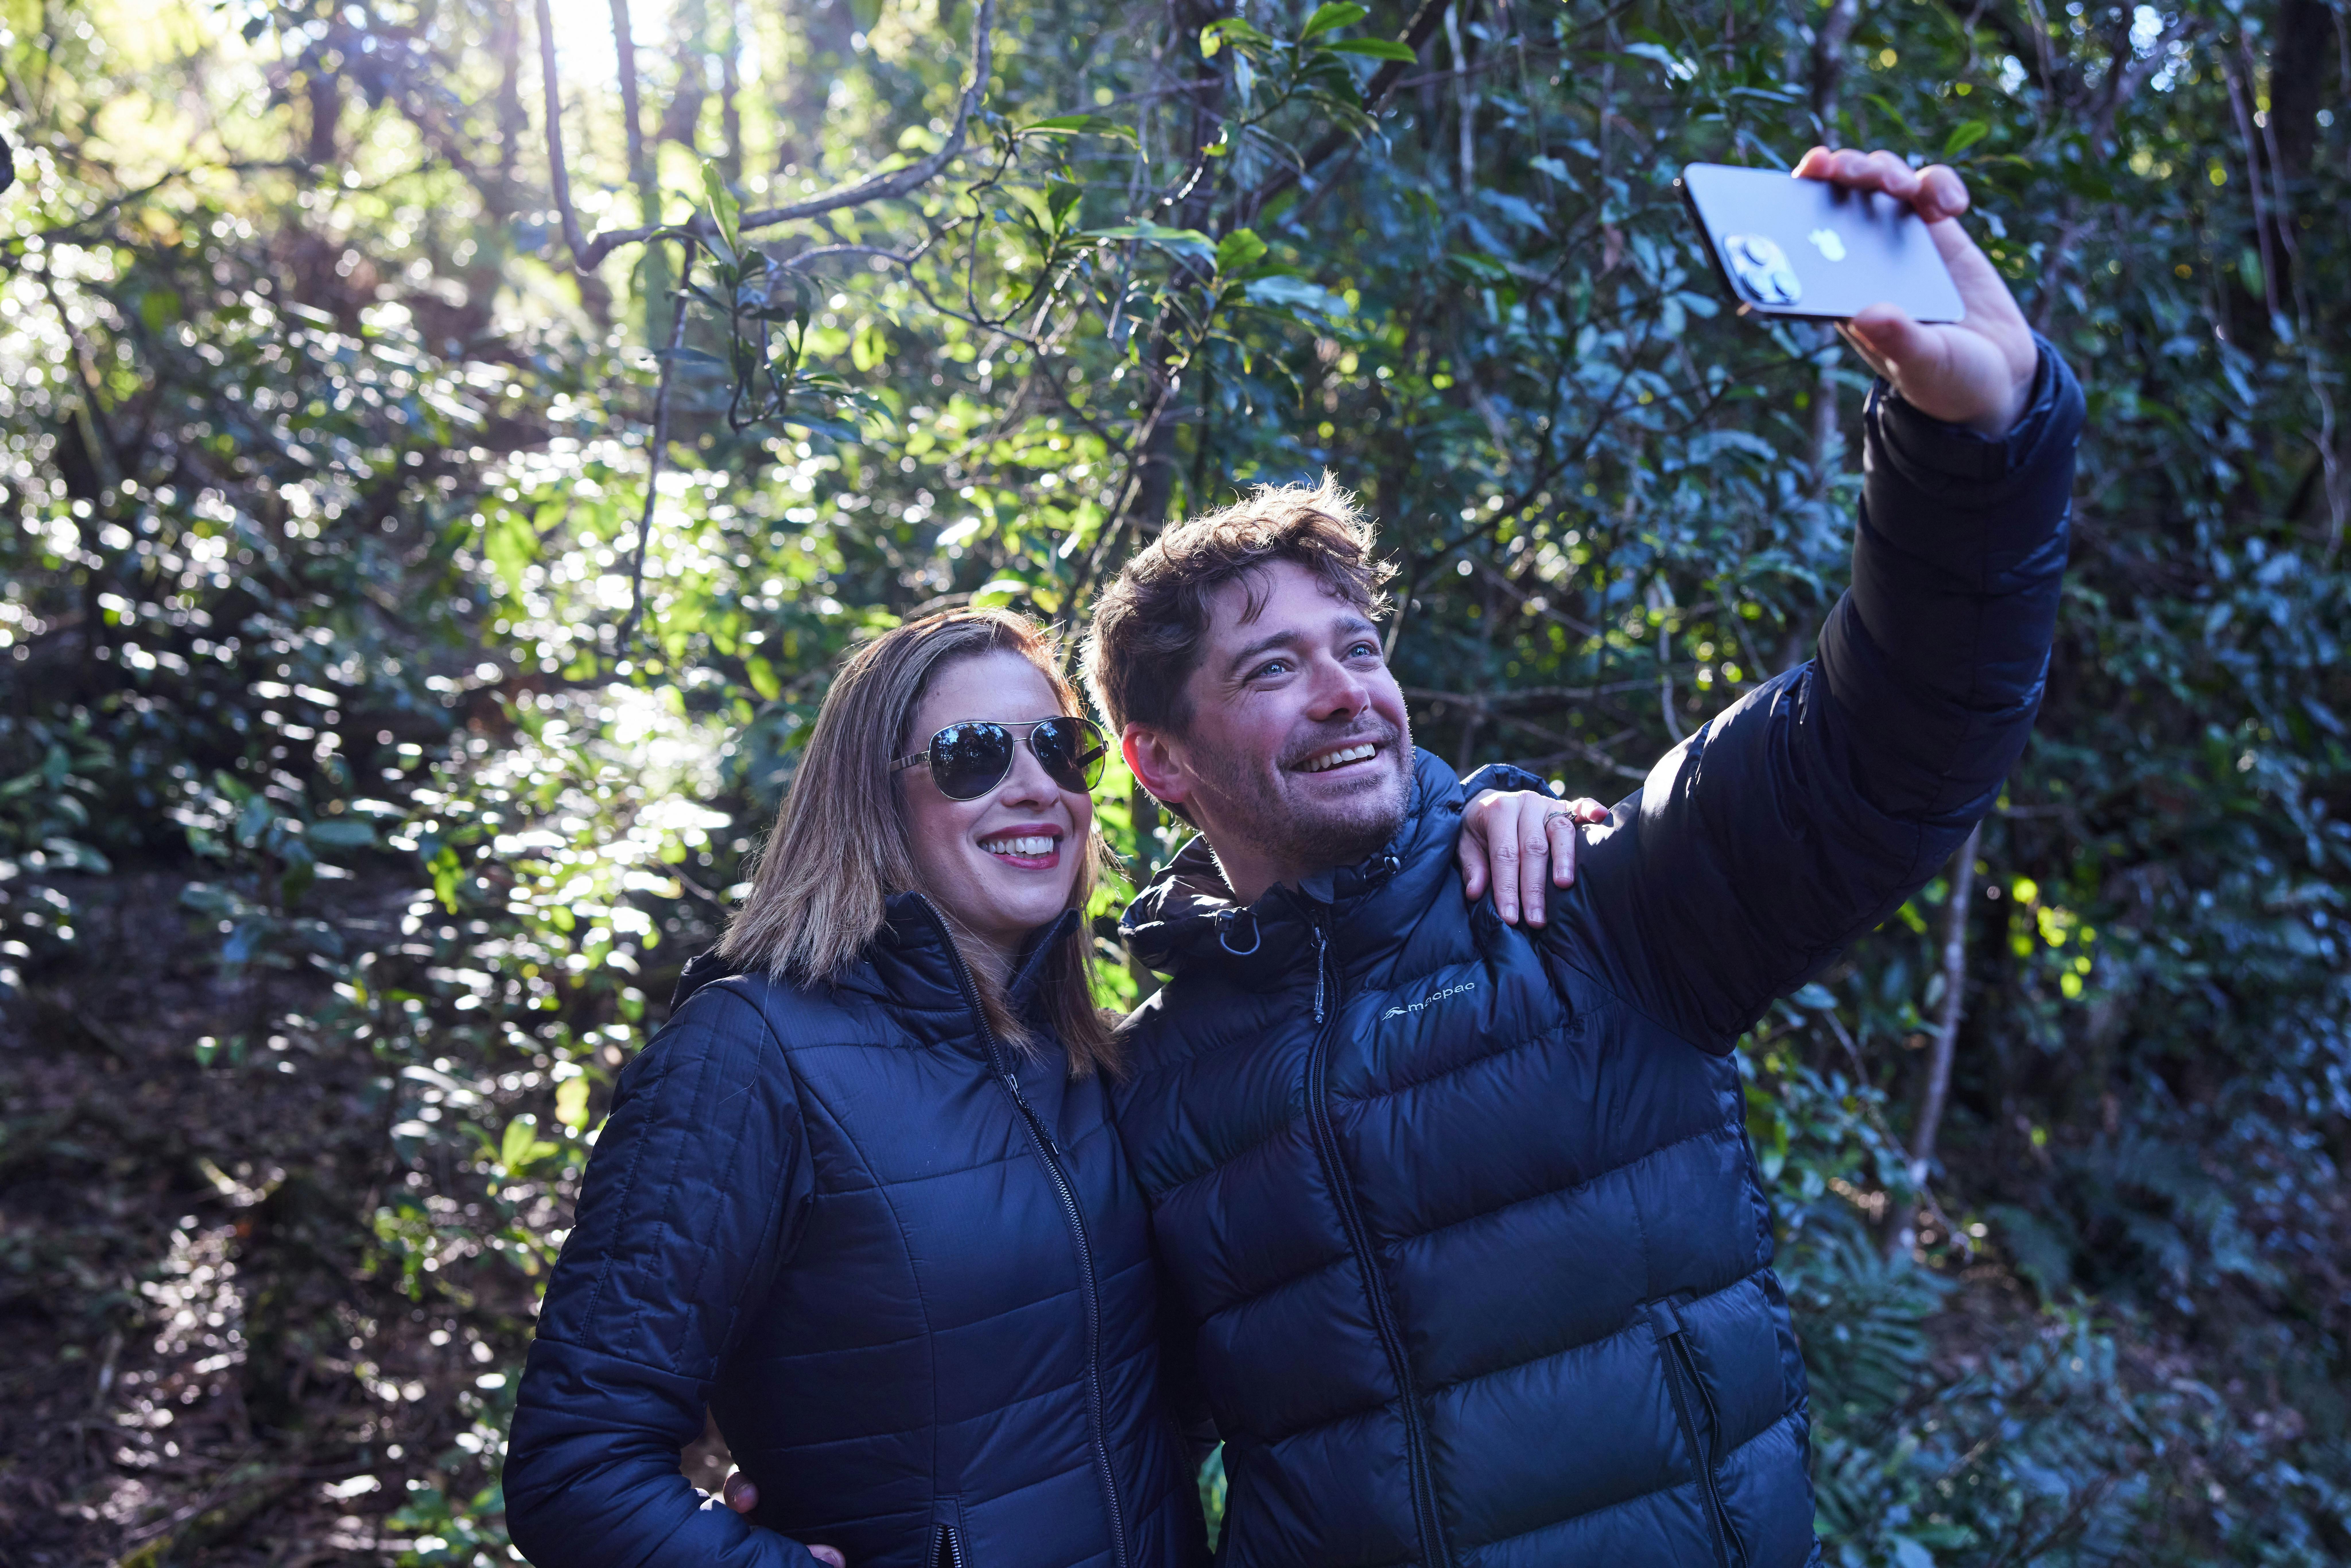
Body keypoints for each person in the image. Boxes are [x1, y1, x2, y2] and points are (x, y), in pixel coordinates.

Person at [1080, 148, 2086, 1567]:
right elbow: (1077, 1430)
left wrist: (1975, 447)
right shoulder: (1148, 1084)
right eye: (1271, 669)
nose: (1346, 692)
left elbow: (1884, 747)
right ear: (1159, 760)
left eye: (1359, 649)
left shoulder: (1583, 905)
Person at [504, 608, 1599, 1568]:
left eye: (1060, 751)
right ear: (872, 800)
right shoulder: (749, 1052)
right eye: (974, 756)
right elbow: (578, 1467)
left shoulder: (1095, 1063)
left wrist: (1486, 813)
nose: (1033, 785)